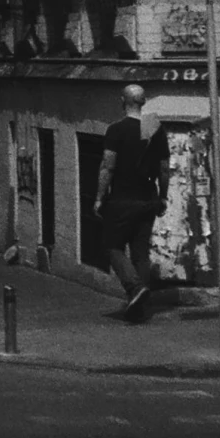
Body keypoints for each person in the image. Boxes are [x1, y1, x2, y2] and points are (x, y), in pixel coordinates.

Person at [95, 81, 170, 321]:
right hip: (147, 199)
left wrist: (98, 198)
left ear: (122, 101)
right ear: (144, 101)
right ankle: (138, 307)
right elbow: (164, 168)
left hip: (121, 200)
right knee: (140, 253)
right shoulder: (155, 129)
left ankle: (134, 288)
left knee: (111, 246)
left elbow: (108, 166)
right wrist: (163, 196)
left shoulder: (115, 130)